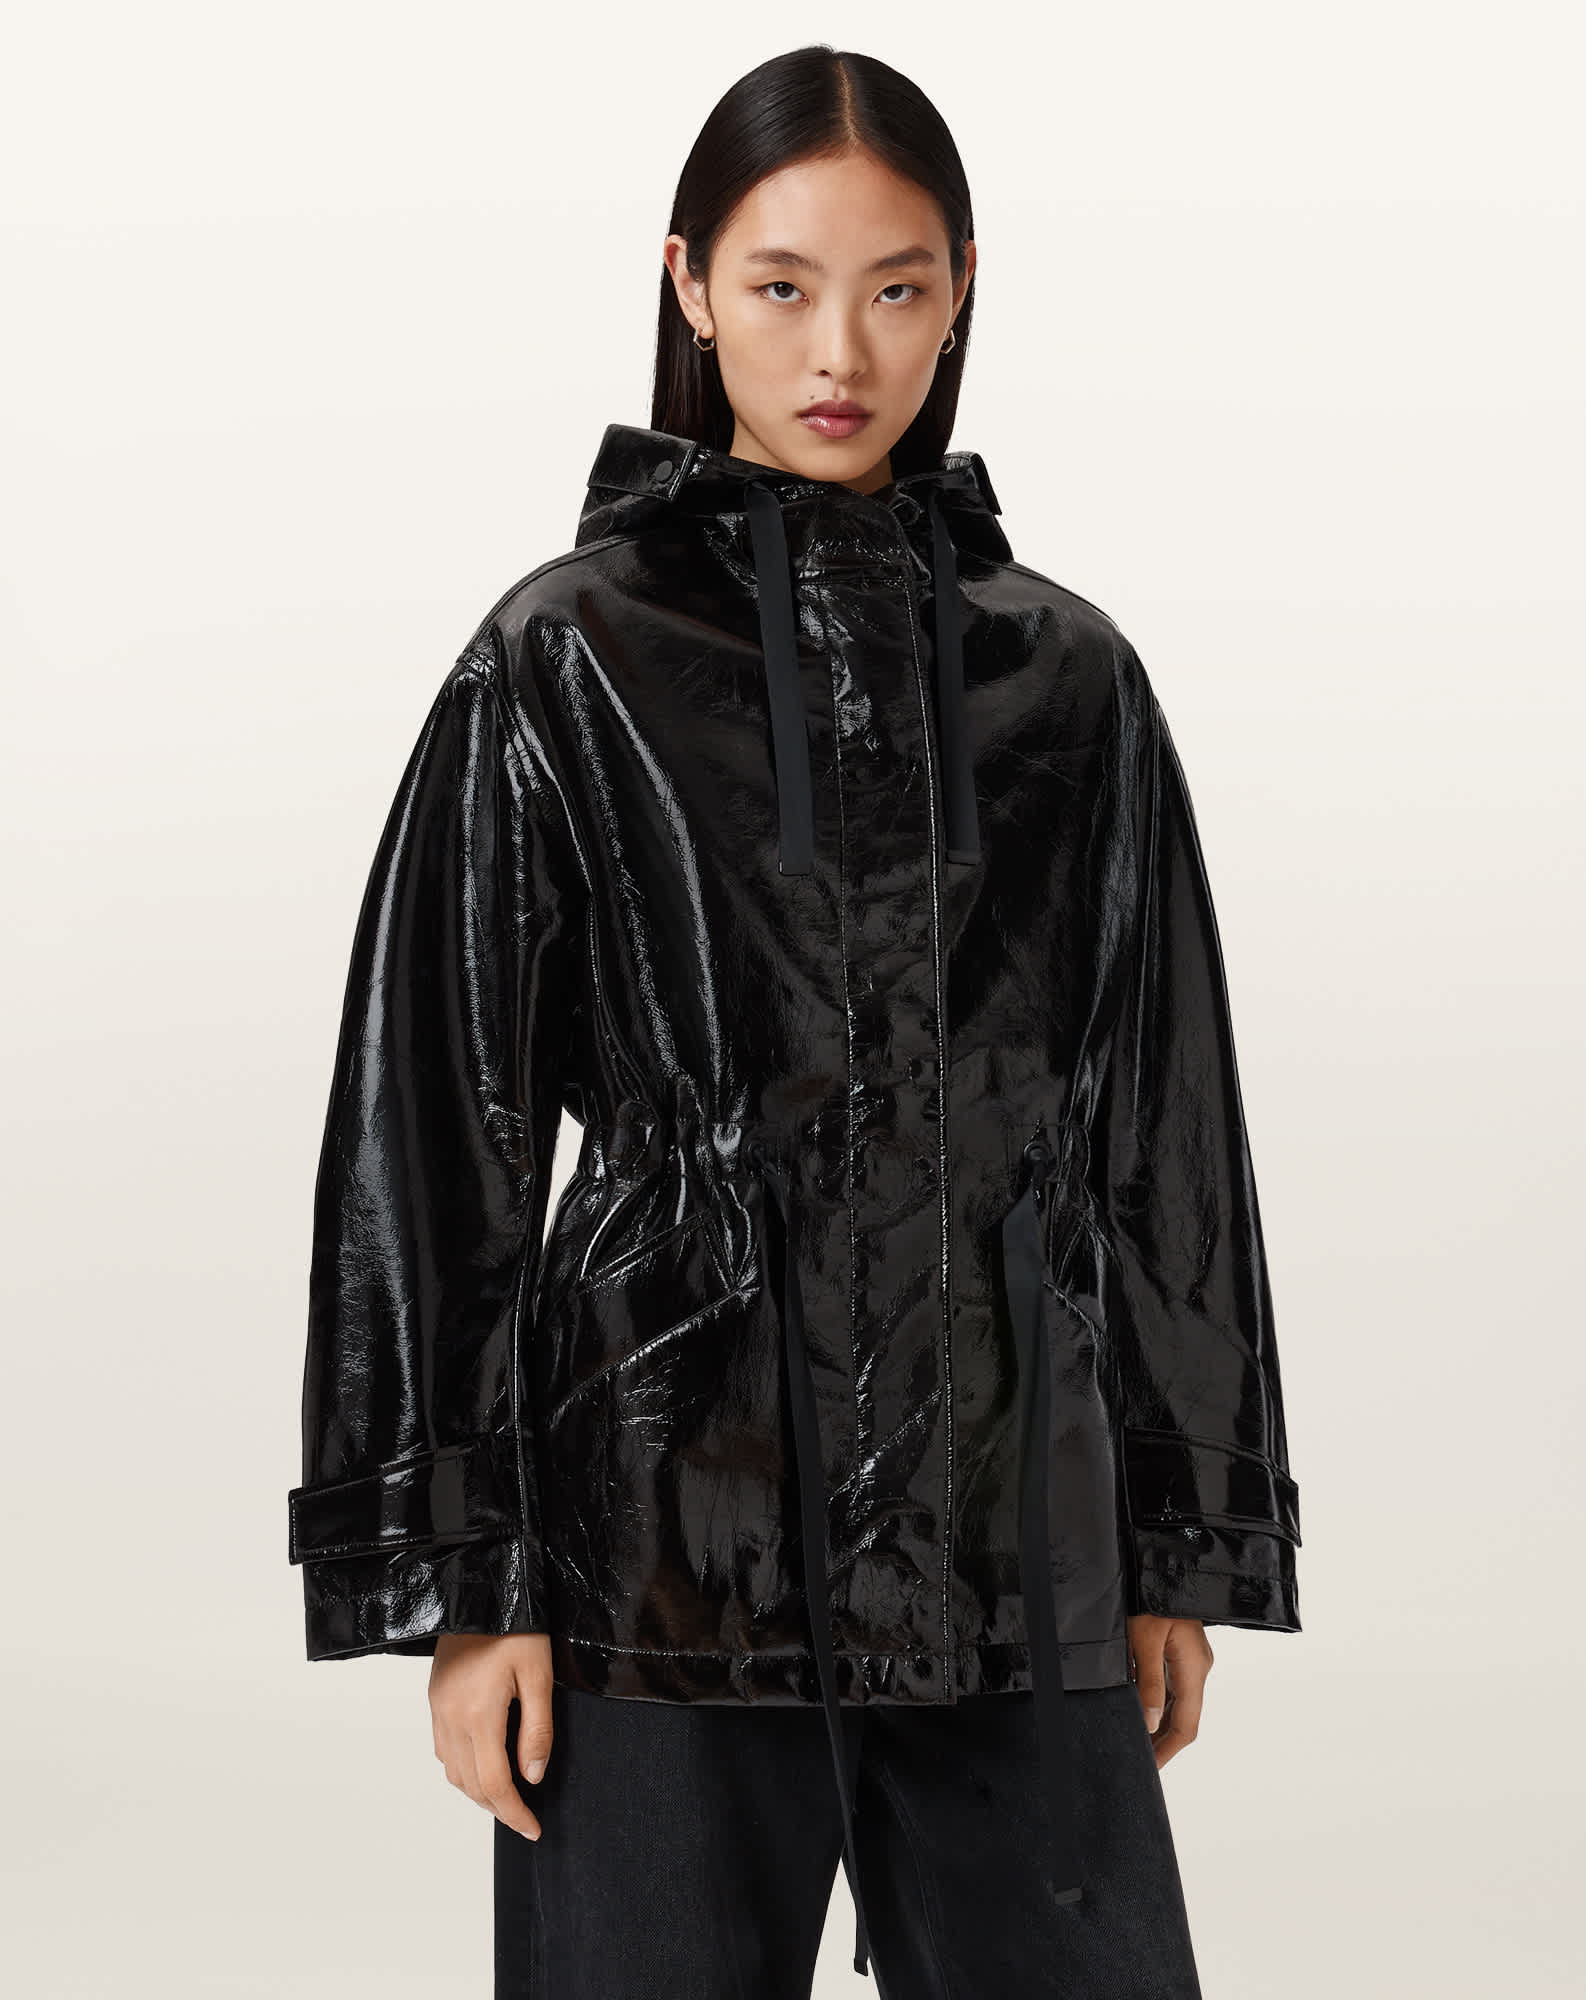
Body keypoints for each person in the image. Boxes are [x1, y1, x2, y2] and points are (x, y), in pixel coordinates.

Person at [286, 43, 1302, 2000]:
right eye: (780, 283)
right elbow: (436, 1130)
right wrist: (464, 1581)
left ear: (961, 292)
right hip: (658, 1546)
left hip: (1013, 1534)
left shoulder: (1069, 683)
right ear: (687, 284)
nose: (839, 347)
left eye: (896, 287)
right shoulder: (562, 660)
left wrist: (1182, 1534)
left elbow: (1164, 1125)